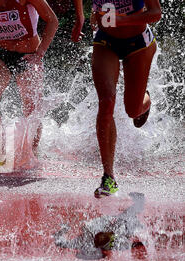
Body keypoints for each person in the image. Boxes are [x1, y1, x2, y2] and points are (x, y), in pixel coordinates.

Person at [74, 0, 162, 198]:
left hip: (139, 43)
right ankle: (108, 177)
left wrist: (122, 21)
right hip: (106, 42)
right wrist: (80, 17)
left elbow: (156, 13)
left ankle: (144, 100)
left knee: (133, 110)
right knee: (106, 102)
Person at [0, 0, 58, 171]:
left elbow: (53, 20)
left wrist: (40, 53)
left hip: (29, 55)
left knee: (32, 109)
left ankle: (32, 153)